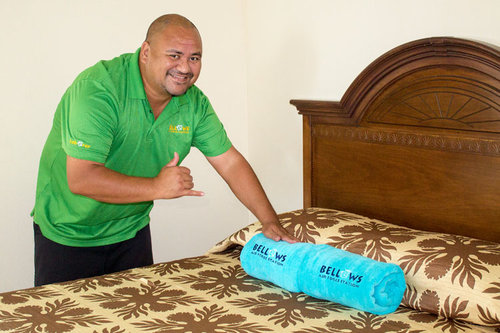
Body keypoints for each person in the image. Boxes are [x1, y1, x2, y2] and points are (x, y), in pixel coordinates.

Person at [32, 14, 297, 286]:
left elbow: (229, 161)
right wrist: (157, 187)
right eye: (174, 55)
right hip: (67, 233)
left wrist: (269, 221)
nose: (185, 67)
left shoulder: (194, 103)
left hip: (130, 232)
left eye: (195, 58)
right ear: (146, 53)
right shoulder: (99, 90)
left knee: (137, 322)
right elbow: (81, 178)